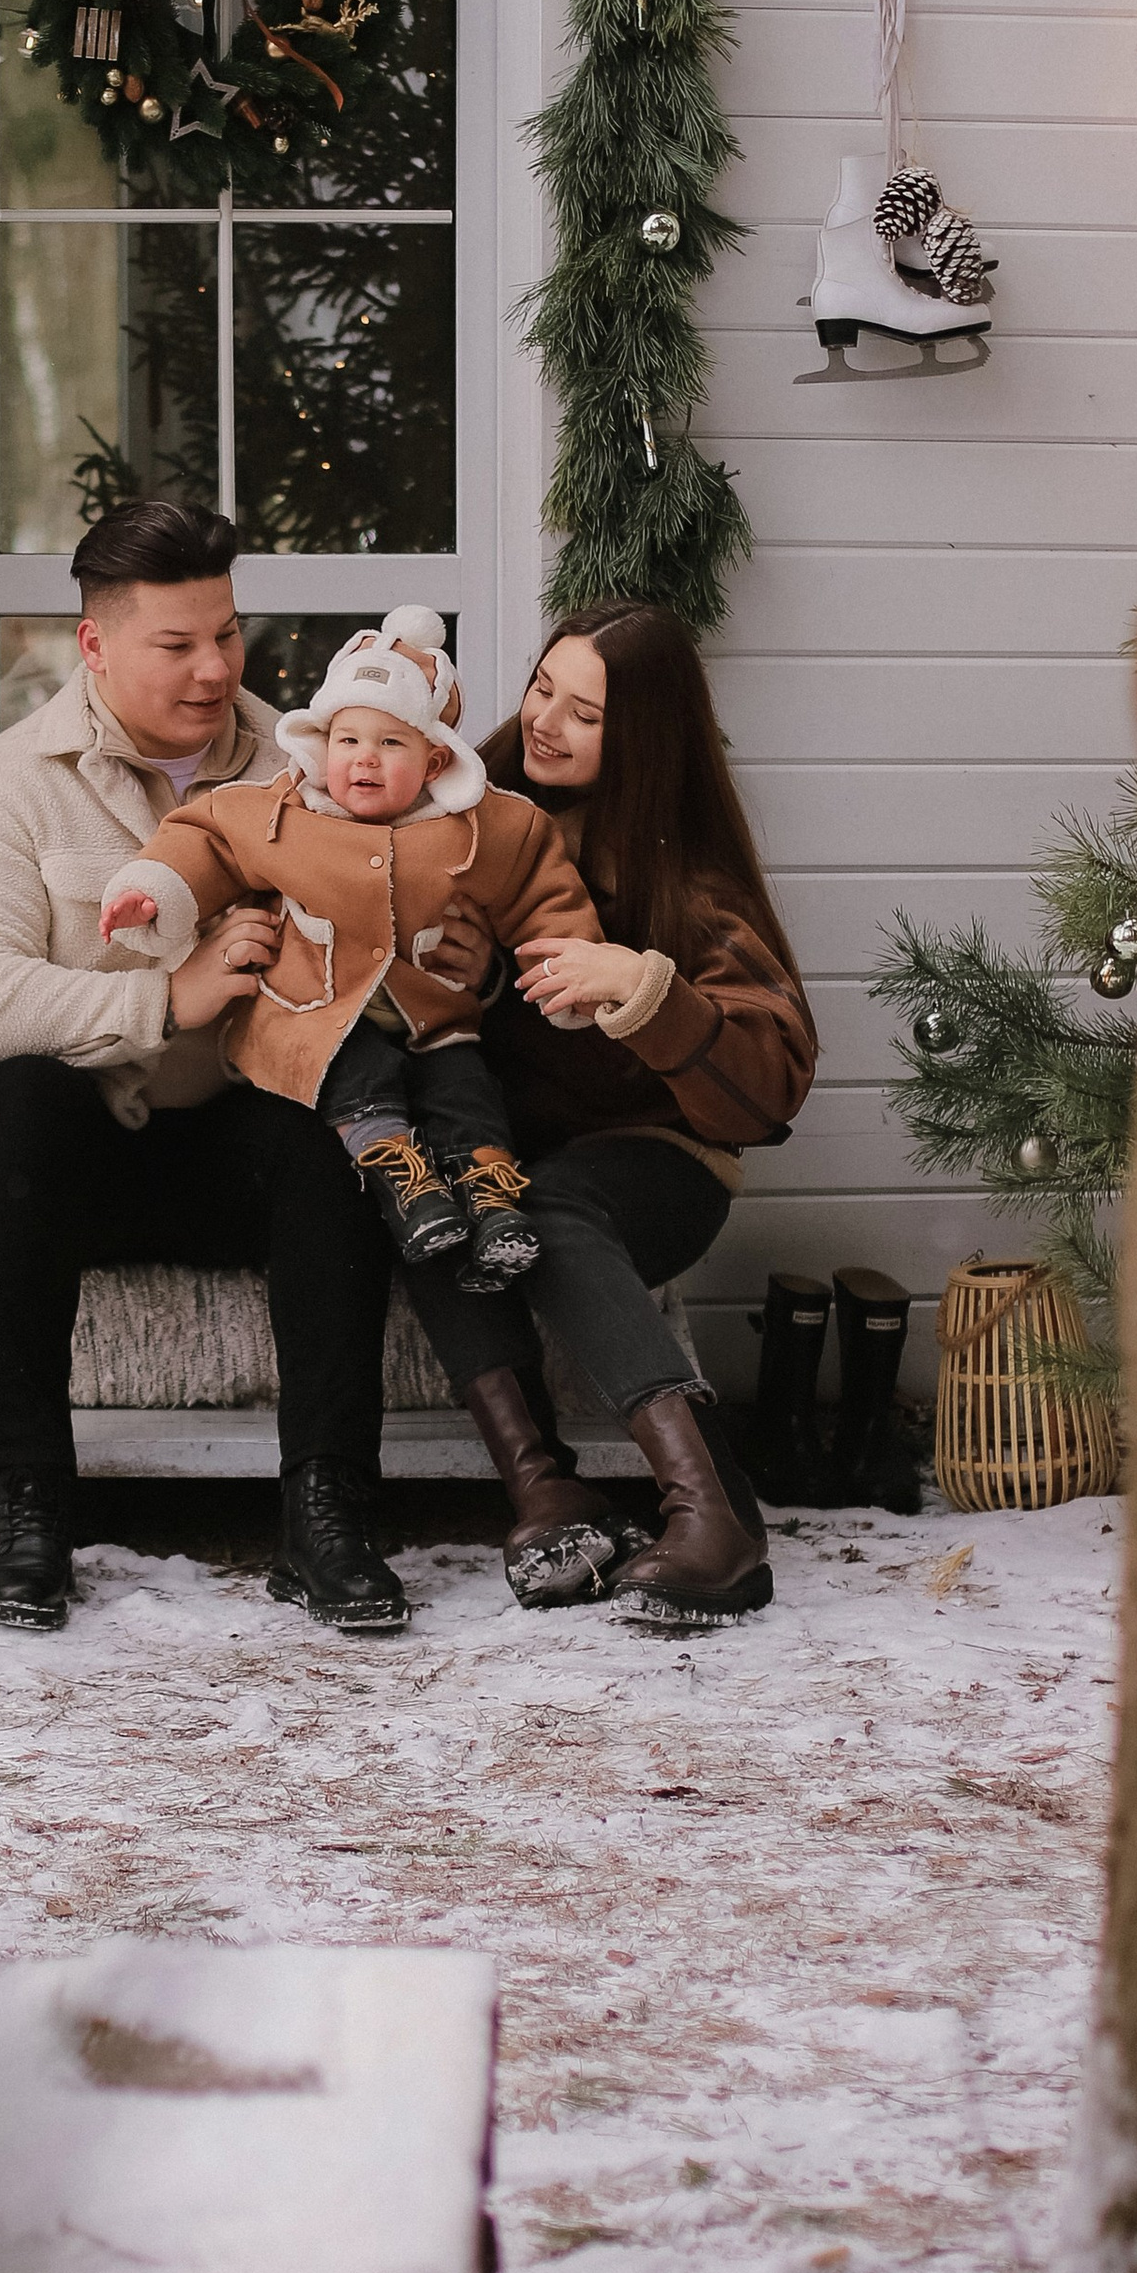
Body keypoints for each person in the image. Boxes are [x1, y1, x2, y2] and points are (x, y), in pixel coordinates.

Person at [0, 501, 409, 1638]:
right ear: (94, 644)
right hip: (63, 1164)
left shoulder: (307, 773)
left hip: (234, 1144)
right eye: (176, 645)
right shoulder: (0, 788)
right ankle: (27, 1506)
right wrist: (161, 1000)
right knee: (15, 1100)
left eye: (225, 634)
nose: (214, 669)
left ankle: (327, 1511)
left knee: (332, 1121)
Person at [406, 599, 818, 1626]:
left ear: (643, 735)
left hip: (659, 1161)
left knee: (546, 1205)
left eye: (584, 714)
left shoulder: (687, 874)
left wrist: (642, 988)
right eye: (542, 689)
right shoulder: (465, 811)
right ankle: (549, 1498)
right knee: (433, 1196)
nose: (546, 722)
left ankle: (713, 1512)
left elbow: (772, 1075)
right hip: (499, 1150)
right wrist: (470, 976)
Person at [98, 608, 597, 1289]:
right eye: (348, 739)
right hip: (317, 1016)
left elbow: (543, 890)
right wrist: (154, 892)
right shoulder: (282, 813)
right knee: (359, 1073)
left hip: (433, 1018)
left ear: (435, 760)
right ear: (320, 743)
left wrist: (567, 971)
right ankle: (403, 1183)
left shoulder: (482, 828)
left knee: (465, 1088)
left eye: (391, 742)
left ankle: (490, 1198)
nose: (364, 757)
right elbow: (206, 840)